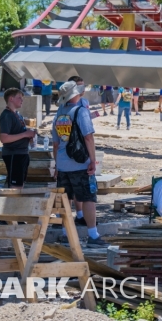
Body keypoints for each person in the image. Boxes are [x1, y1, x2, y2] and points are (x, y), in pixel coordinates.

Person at [51, 81, 106, 246]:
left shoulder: (59, 114)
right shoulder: (81, 112)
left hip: (62, 164)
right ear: (75, 94)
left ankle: (66, 234)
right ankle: (93, 235)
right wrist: (92, 160)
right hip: (80, 163)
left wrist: (57, 165)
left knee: (65, 199)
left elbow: (55, 144)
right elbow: (88, 137)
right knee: (88, 198)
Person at [0, 88, 35, 187]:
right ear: (11, 99)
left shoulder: (18, 114)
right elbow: (4, 138)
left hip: (22, 153)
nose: (22, 100)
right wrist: (25, 134)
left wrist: (29, 136)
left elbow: (20, 133)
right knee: (15, 186)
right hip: (14, 154)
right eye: (19, 98)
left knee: (20, 184)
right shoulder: (7, 116)